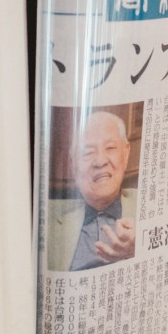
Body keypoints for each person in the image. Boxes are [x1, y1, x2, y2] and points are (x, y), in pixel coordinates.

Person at [47, 110, 137, 271]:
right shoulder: (51, 220)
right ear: (74, 164)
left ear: (126, 152)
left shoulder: (149, 205)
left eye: (110, 148)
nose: (100, 161)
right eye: (87, 152)